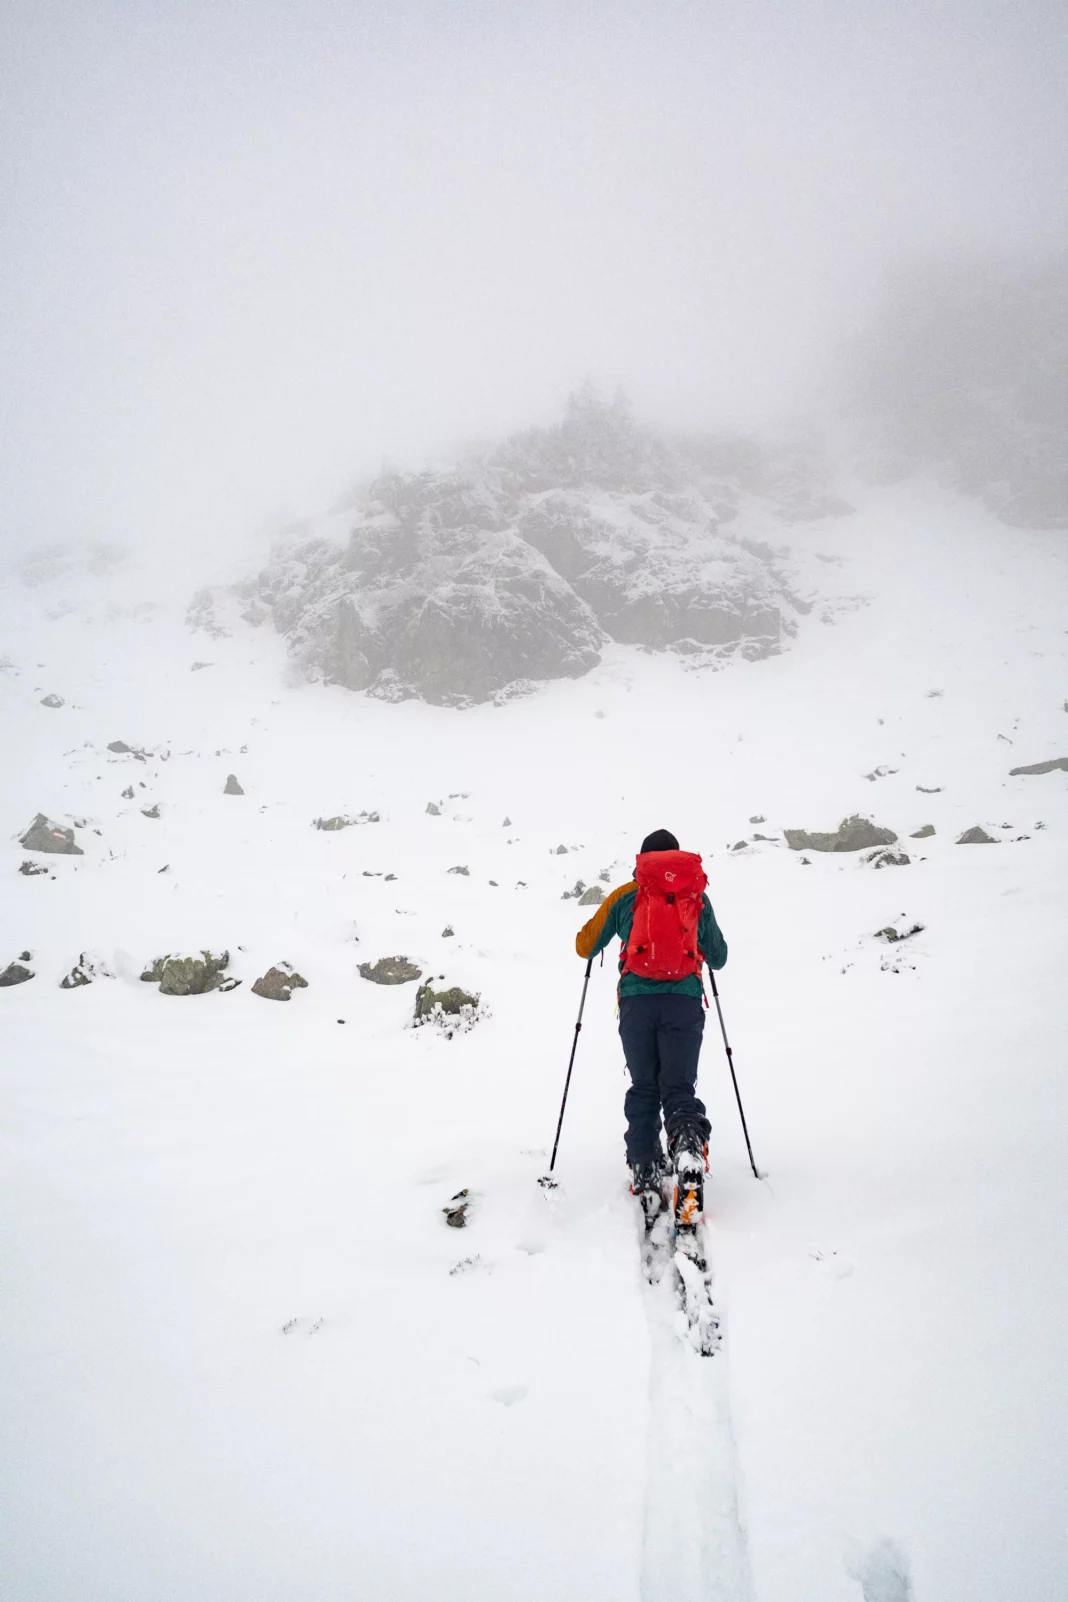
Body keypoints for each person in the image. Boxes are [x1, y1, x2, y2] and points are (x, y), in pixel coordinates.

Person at [574, 829, 727, 1225]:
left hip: (637, 1006)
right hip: (684, 1002)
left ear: (642, 860)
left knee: (644, 1085)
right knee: (678, 1088)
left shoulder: (627, 894)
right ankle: (689, 1150)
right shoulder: (695, 895)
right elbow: (720, 957)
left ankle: (644, 1171)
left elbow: (585, 946)